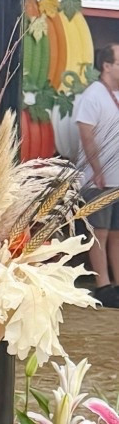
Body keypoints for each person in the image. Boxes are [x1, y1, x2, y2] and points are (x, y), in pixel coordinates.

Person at [75, 42, 119, 292]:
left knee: (116, 233)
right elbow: (86, 134)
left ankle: (117, 284)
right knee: (99, 233)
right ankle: (102, 285)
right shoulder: (92, 95)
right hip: (98, 180)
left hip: (117, 179)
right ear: (106, 66)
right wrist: (97, 169)